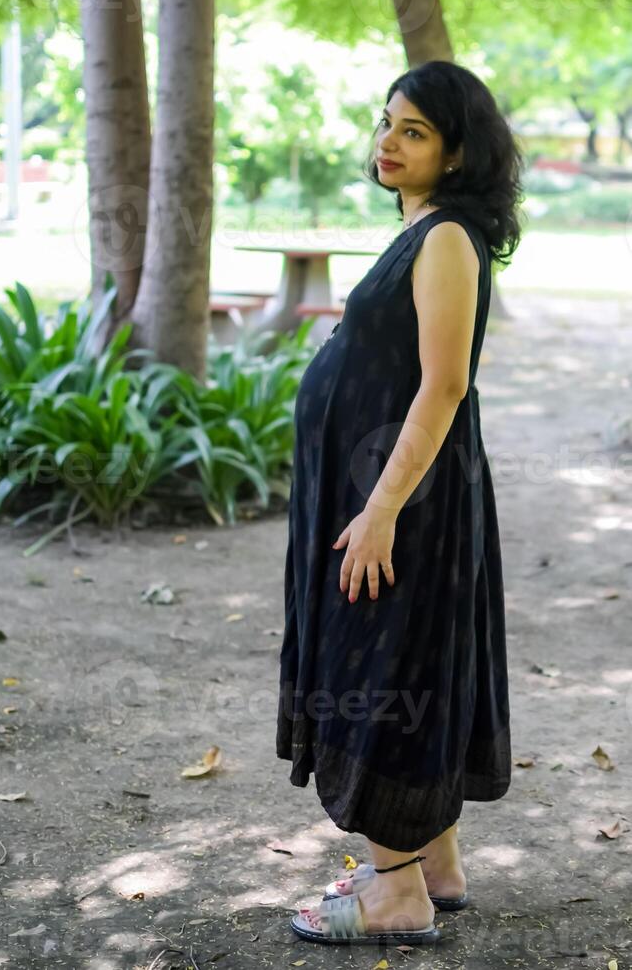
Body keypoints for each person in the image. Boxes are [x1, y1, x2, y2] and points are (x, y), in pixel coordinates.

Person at [277, 59, 525, 946]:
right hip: (382, 492)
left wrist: (381, 508)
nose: (388, 141)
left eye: (413, 130)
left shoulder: (447, 239)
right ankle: (436, 865)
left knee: (378, 672)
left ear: (457, 154)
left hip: (402, 500)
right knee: (413, 662)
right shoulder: (423, 228)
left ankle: (393, 894)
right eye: (387, 122)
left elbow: (445, 384)